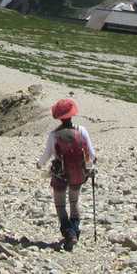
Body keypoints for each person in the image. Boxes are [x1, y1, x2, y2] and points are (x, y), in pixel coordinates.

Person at [37, 97, 96, 250]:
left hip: (60, 175)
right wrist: (90, 168)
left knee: (60, 204)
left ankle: (69, 233)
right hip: (78, 173)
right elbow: (91, 153)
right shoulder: (81, 130)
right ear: (72, 114)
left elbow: (47, 154)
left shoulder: (54, 135)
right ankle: (75, 230)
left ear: (58, 117)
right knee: (74, 202)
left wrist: (39, 164)